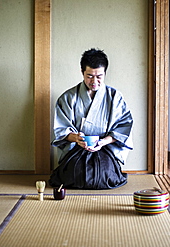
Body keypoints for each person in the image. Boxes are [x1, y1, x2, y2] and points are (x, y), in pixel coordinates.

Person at [49, 48, 133, 189]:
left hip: (104, 149)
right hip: (76, 149)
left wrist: (103, 141)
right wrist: (76, 138)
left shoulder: (114, 97)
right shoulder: (69, 97)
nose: (94, 81)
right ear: (82, 72)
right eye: (89, 76)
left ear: (105, 73)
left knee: (105, 175)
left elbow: (123, 128)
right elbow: (61, 130)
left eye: (99, 76)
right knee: (73, 175)